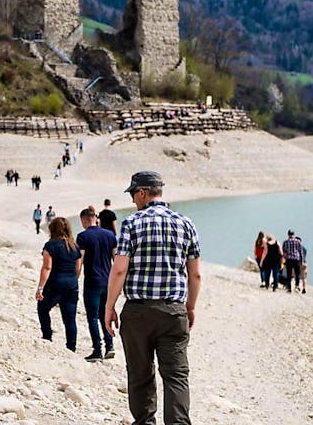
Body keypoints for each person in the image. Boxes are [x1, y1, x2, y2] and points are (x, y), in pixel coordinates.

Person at [105, 171, 201, 425]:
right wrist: (190, 307)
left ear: (143, 193)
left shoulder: (131, 223)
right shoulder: (186, 223)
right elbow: (195, 274)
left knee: (140, 374)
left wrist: (109, 306)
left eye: (133, 194)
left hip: (138, 312)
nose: (133, 200)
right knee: (176, 376)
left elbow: (119, 269)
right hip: (173, 311)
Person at [36, 218, 82, 352]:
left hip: (54, 284)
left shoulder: (50, 246)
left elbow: (47, 267)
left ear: (52, 229)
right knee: (70, 319)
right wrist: (73, 280)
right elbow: (78, 267)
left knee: (43, 308)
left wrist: (40, 288)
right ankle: (71, 347)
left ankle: (47, 336)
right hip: (71, 284)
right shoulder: (74, 246)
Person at [77, 207, 117, 361]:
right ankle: (110, 345)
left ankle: (97, 350)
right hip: (108, 281)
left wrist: (75, 278)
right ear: (96, 218)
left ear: (83, 220)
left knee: (92, 317)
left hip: (92, 281)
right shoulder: (110, 235)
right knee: (104, 314)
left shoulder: (82, 237)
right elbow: (116, 259)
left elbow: (79, 261)